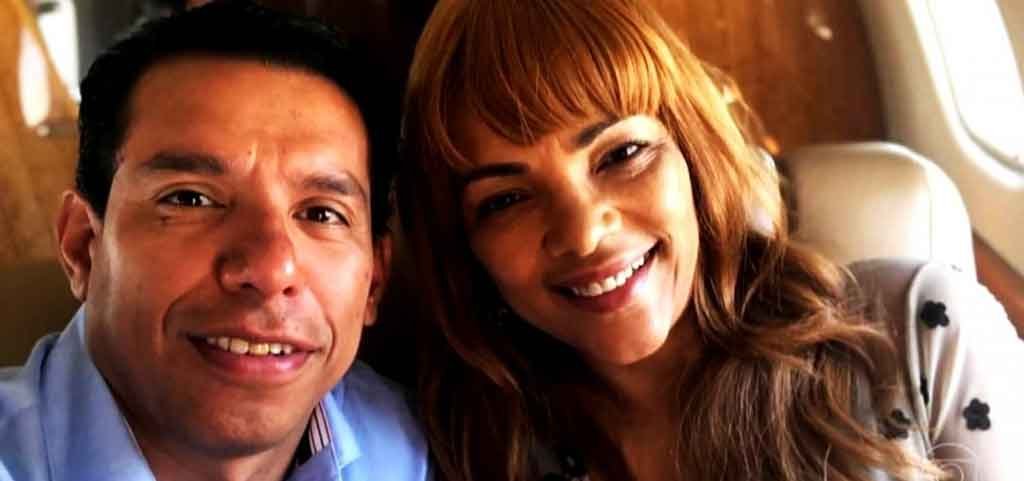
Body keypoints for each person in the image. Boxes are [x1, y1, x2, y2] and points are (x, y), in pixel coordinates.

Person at [395, 0, 1024, 480]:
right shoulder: (465, 446)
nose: (584, 233)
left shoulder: (920, 333)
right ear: (466, 248)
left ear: (694, 157)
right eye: (506, 199)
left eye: (621, 154)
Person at [0, 1, 429, 480]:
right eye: (190, 199)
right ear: (83, 247)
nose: (270, 269)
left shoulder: (421, 453)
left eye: (321, 213)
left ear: (374, 281)